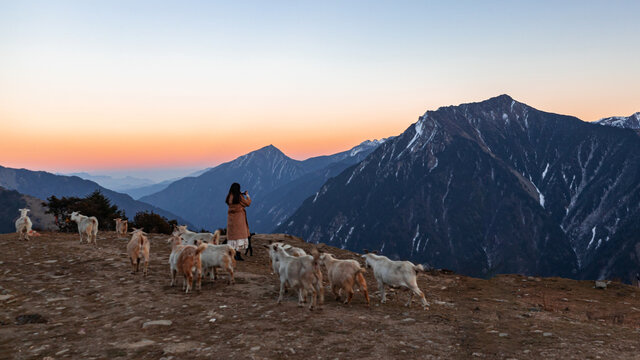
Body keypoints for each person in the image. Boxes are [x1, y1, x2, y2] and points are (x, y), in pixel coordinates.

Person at [225, 182, 251, 261]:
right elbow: (248, 203)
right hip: (239, 219)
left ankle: (233, 253)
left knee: (233, 237)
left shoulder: (229, 196)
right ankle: (238, 254)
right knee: (239, 237)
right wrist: (246, 195)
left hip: (231, 220)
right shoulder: (239, 197)